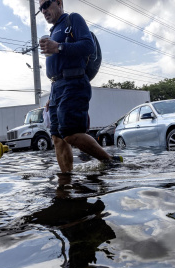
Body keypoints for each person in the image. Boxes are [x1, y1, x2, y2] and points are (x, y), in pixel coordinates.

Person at [39, 0, 122, 173]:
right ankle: (66, 180)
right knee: (57, 138)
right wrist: (51, 97)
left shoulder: (73, 19)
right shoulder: (53, 31)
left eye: (46, 4)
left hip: (74, 82)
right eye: (41, 8)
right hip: (57, 87)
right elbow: (57, 67)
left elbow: (88, 45)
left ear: (59, 2)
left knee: (69, 133)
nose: (44, 10)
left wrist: (59, 47)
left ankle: (110, 160)